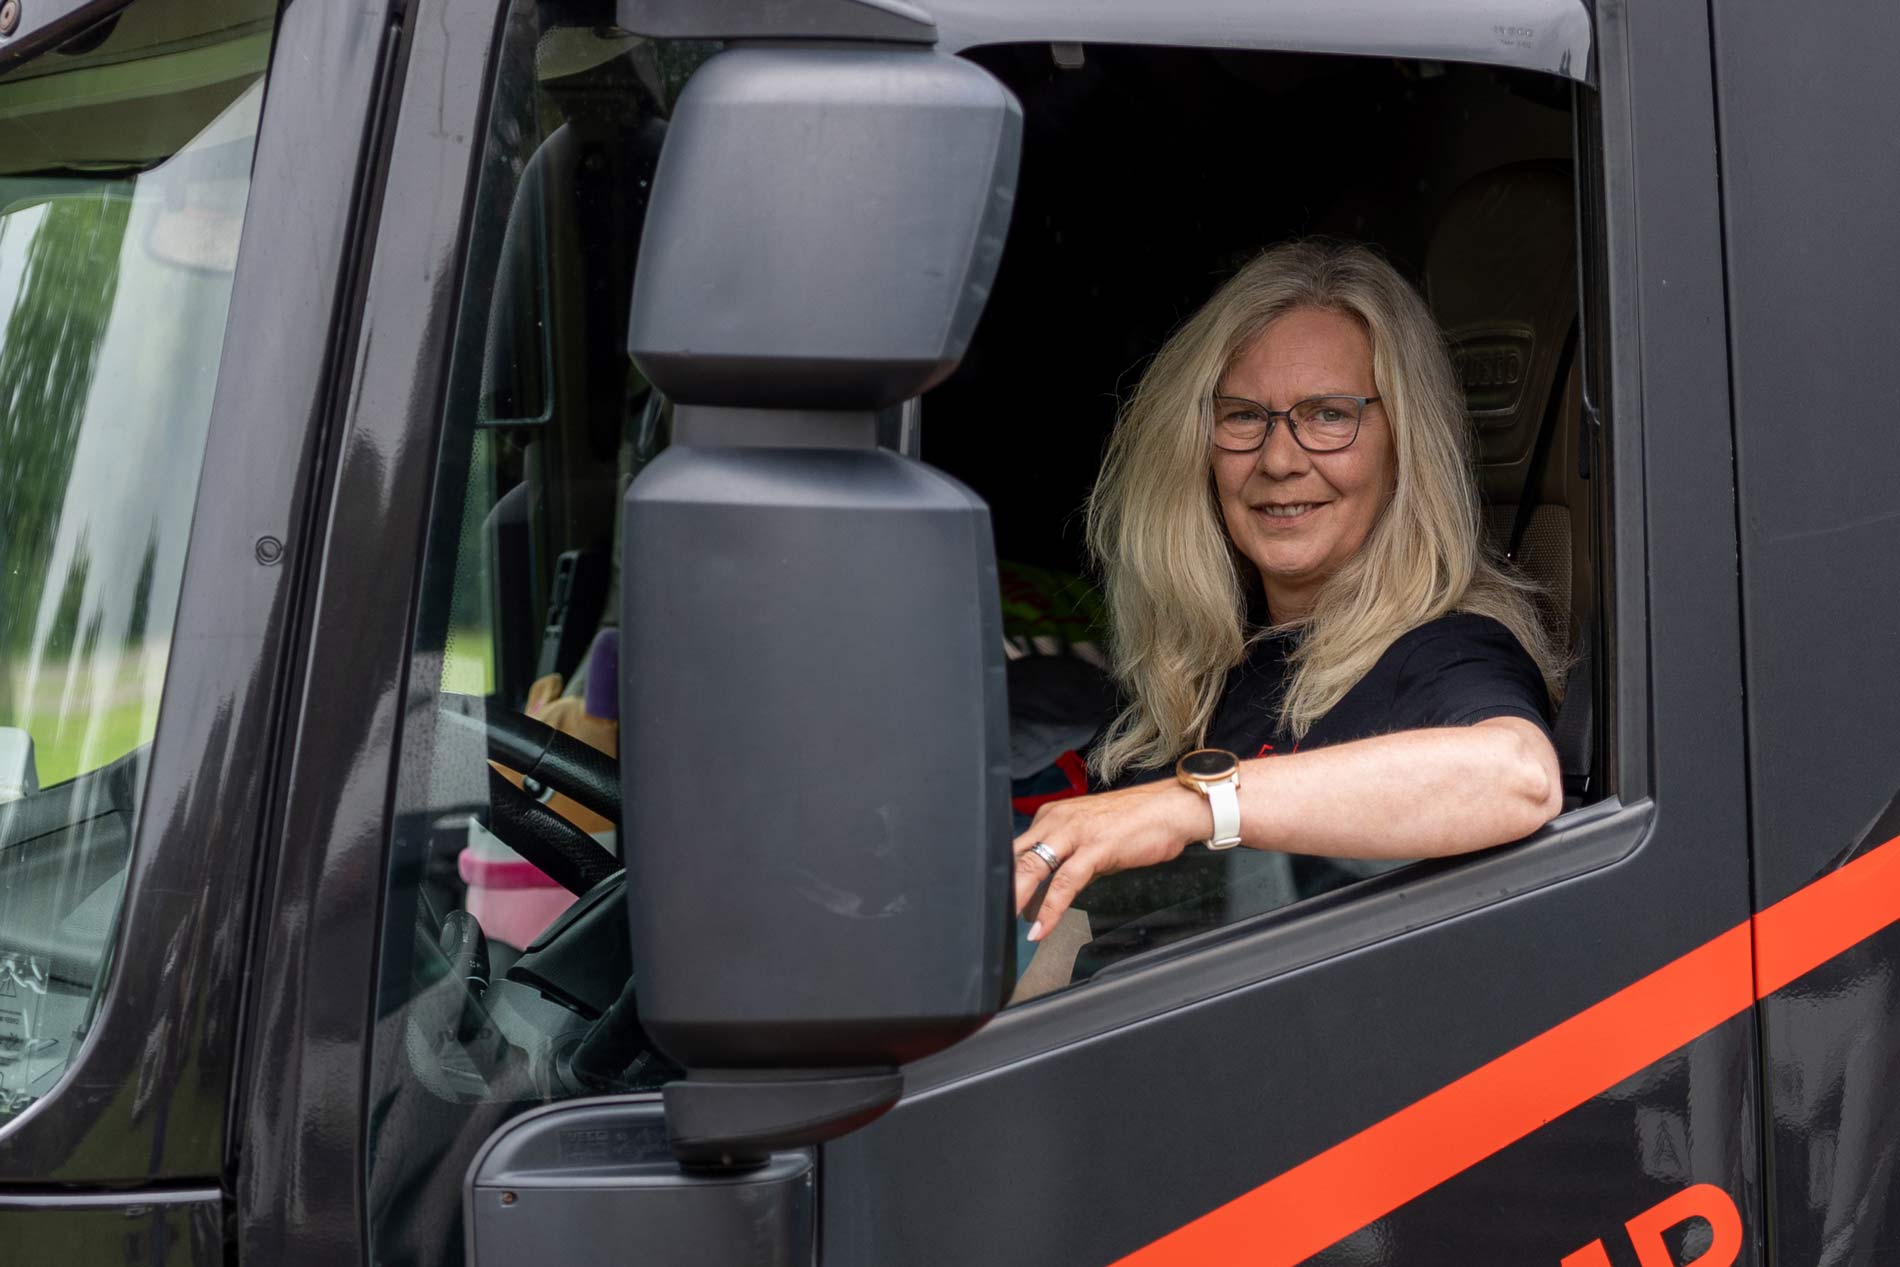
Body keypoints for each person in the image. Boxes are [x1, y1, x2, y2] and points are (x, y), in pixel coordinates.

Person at [1014, 241, 1566, 942]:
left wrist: (1193, 805)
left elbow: (1519, 777)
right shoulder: (1212, 668)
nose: (1279, 459)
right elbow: (1078, 942)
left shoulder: (1441, 650)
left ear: (1405, 443)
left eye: (1330, 414)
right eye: (1245, 415)